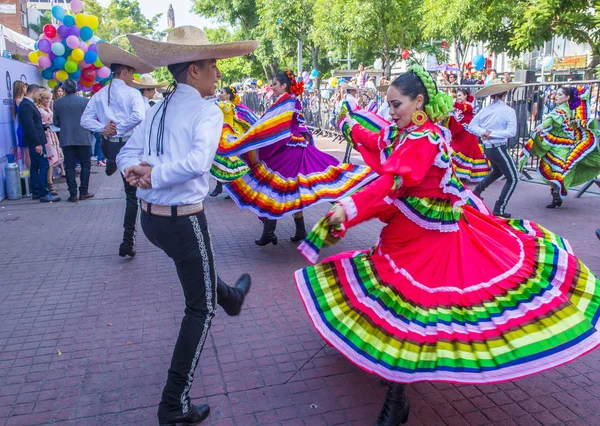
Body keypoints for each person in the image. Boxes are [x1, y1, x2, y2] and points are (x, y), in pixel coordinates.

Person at [294, 65, 600, 426]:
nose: (391, 112)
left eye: (396, 104)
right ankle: (393, 376)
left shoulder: (424, 139)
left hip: (430, 242)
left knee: (413, 312)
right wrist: (351, 126)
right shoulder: (406, 132)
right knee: (391, 302)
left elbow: (391, 182)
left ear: (418, 100)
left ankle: (397, 397)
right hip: (403, 234)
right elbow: (378, 141)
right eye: (389, 105)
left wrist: (349, 207)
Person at [120, 25, 256, 426]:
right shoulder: (205, 110)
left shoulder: (157, 108)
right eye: (213, 65)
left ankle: (230, 295)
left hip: (152, 220)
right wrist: (151, 172)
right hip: (183, 218)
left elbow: (128, 151)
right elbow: (198, 163)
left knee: (196, 272)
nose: (218, 72)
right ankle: (174, 404)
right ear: (194, 70)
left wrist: (138, 170)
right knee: (200, 309)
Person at [216, 70, 376, 245]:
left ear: (284, 85)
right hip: (288, 148)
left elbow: (290, 126)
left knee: (279, 188)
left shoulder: (288, 101)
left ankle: (276, 232)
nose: (272, 87)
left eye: (275, 84)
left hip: (291, 149)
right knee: (289, 190)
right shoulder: (285, 101)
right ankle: (289, 231)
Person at [81, 43, 152, 258]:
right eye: (132, 73)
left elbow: (84, 120)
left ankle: (112, 161)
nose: (134, 78)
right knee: (132, 195)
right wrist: (115, 129)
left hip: (110, 143)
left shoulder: (100, 95)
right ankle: (127, 240)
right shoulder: (132, 94)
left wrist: (105, 129)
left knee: (128, 187)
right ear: (126, 71)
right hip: (128, 145)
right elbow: (138, 117)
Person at [519, 86, 600, 208]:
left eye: (560, 95)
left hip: (558, 145)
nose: (556, 96)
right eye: (556, 94)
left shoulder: (560, 111)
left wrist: (541, 126)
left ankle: (556, 194)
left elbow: (550, 120)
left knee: (554, 170)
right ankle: (556, 194)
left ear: (567, 97)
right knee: (560, 171)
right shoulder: (570, 110)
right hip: (566, 144)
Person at [469, 82, 520, 217]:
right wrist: (489, 134)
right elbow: (511, 132)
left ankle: (477, 191)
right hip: (498, 147)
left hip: (489, 147)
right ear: (504, 95)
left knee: (497, 172)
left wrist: (484, 132)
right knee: (513, 178)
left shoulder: (485, 110)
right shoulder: (509, 111)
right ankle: (499, 208)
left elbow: (471, 126)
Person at [209, 86, 256, 197]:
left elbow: (218, 106)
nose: (220, 93)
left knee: (228, 163)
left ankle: (228, 188)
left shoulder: (227, 105)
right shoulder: (222, 104)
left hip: (229, 137)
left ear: (229, 95)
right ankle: (222, 187)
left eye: (222, 92)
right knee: (221, 163)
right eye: (220, 91)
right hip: (221, 135)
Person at [17, 84, 61, 202]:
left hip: (35, 138)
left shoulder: (27, 104)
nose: (39, 96)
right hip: (35, 141)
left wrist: (44, 126)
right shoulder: (26, 105)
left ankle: (36, 191)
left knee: (35, 166)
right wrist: (37, 143)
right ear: (35, 92)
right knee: (44, 165)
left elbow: (33, 124)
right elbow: (29, 126)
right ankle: (43, 193)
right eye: (39, 94)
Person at [54, 79, 95, 203]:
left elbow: (56, 122)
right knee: (85, 164)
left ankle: (73, 194)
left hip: (67, 138)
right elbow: (92, 118)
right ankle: (84, 191)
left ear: (64, 89)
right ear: (77, 89)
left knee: (70, 166)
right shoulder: (85, 101)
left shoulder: (57, 103)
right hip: (84, 137)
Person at [444, 88, 491, 182]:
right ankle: (458, 174)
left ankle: (460, 174)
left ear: (465, 96)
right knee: (455, 151)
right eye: (457, 96)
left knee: (460, 152)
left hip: (467, 136)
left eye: (460, 95)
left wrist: (451, 103)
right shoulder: (458, 109)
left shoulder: (468, 106)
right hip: (460, 134)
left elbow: (463, 108)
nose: (458, 98)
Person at [36, 88, 64, 196]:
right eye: (46, 99)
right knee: (50, 158)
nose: (48, 100)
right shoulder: (38, 109)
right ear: (41, 98)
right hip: (45, 135)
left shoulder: (47, 108)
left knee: (53, 158)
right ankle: (49, 183)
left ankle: (49, 181)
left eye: (49, 98)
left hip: (51, 134)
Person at [12, 80, 28, 170]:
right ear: (22, 88)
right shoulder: (19, 100)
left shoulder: (20, 100)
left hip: (24, 128)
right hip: (23, 129)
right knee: (28, 153)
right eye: (25, 87)